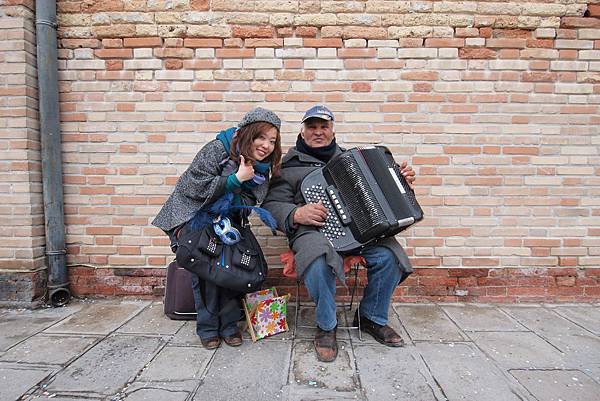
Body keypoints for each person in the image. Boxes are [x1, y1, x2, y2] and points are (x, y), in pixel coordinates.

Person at [262, 105, 416, 362]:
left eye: (324, 127)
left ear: (333, 131)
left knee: (389, 255)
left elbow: (379, 196)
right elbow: (271, 205)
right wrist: (295, 214)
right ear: (303, 131)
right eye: (312, 127)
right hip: (313, 232)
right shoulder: (287, 167)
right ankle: (326, 326)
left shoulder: (352, 161)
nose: (318, 132)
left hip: (357, 232)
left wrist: (400, 184)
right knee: (317, 260)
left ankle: (371, 318)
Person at [152, 107, 282, 349]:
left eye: (272, 140)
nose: (266, 145)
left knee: (233, 271)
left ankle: (230, 326)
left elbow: (254, 200)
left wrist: (240, 192)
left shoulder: (263, 169)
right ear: (247, 134)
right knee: (205, 274)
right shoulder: (218, 148)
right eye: (261, 137)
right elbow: (192, 185)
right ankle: (208, 328)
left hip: (230, 225)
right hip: (195, 219)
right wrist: (236, 180)